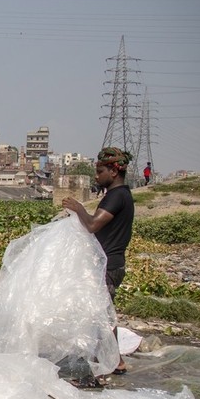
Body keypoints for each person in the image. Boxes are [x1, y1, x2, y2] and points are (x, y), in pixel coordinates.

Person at [61, 146, 135, 375]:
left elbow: (93, 225)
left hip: (109, 265)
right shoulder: (120, 195)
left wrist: (79, 209)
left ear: (113, 172)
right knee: (102, 313)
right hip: (109, 263)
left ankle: (117, 361)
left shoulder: (116, 196)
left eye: (100, 171)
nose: (96, 176)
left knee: (103, 315)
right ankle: (113, 359)